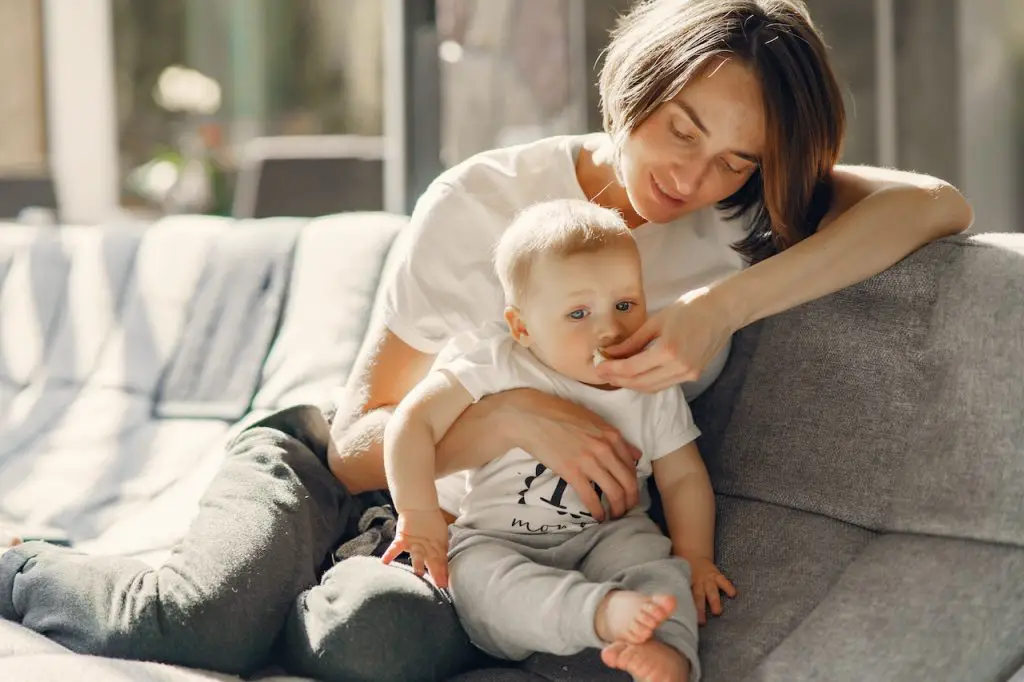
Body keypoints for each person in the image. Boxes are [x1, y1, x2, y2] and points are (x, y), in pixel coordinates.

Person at [0, 1, 974, 681]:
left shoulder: (735, 217)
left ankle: (328, 606)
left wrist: (721, 306)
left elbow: (935, 204)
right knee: (186, 621)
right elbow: (353, 444)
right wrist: (513, 416)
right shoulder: (482, 201)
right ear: (634, 84)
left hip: (495, 534)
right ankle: (22, 562)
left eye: (735, 159)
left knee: (382, 648)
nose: (695, 174)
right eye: (680, 129)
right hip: (347, 467)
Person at [382, 199, 734, 682]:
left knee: (659, 570)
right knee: (481, 584)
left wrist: (696, 556)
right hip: (498, 541)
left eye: (625, 305)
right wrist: (419, 515)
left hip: (609, 536)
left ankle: (668, 652)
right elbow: (412, 422)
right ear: (522, 327)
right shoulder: (498, 362)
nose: (609, 327)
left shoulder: (649, 381)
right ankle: (598, 615)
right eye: (578, 313)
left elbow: (684, 477)